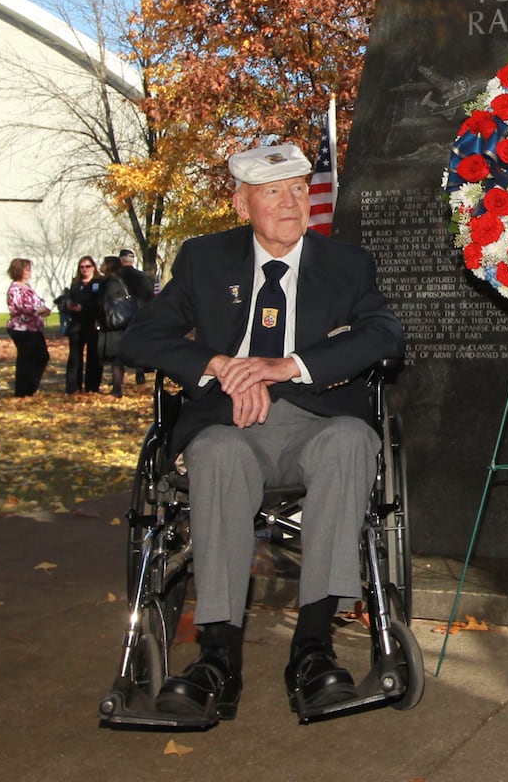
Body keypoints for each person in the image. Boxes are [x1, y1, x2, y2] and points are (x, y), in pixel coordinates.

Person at [121, 142, 406, 725]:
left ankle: (312, 648)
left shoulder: (347, 265)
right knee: (220, 454)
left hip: (317, 421)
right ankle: (217, 655)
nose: (290, 202)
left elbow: (385, 335)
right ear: (241, 201)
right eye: (272, 191)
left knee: (354, 441)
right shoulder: (205, 259)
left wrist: (289, 365)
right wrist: (221, 365)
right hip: (228, 423)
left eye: (299, 189)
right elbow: (143, 337)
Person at [5, 259, 52, 396]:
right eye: (26, 269)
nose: (29, 272)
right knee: (26, 358)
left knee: (42, 356)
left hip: (34, 327)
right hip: (21, 328)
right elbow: (22, 307)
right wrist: (39, 311)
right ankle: (22, 390)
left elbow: (36, 302)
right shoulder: (15, 288)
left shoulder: (27, 286)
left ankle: (30, 387)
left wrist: (44, 309)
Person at [62, 257, 103, 394]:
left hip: (92, 324)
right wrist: (69, 305)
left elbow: (100, 303)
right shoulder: (75, 284)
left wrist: (84, 308)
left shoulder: (99, 282)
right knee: (75, 357)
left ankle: (92, 387)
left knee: (94, 357)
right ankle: (73, 387)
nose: (85, 269)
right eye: (82, 267)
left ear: (93, 267)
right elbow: (68, 300)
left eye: (88, 266)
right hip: (76, 325)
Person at [116, 248, 154, 385]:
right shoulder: (141, 276)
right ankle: (140, 372)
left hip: (120, 316)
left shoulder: (117, 277)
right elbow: (150, 296)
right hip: (139, 313)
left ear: (121, 260)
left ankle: (117, 378)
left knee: (118, 346)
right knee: (138, 344)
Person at [96, 255, 131, 397]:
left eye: (103, 263)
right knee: (117, 358)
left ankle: (117, 389)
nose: (101, 266)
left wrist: (100, 317)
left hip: (113, 323)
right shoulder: (120, 280)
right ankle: (116, 386)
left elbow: (106, 302)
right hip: (119, 322)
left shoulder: (111, 282)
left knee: (115, 358)